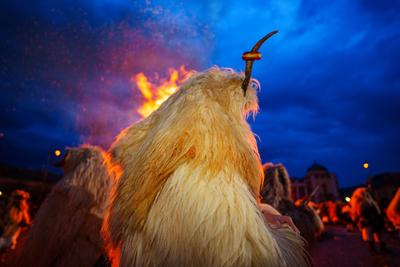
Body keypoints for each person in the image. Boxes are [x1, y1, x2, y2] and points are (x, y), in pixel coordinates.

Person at [350, 187, 388, 253]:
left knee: (379, 234)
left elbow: (376, 209)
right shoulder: (361, 203)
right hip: (368, 221)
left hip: (375, 220)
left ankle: (382, 247)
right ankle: (372, 249)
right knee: (370, 235)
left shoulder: (370, 201)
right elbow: (361, 212)